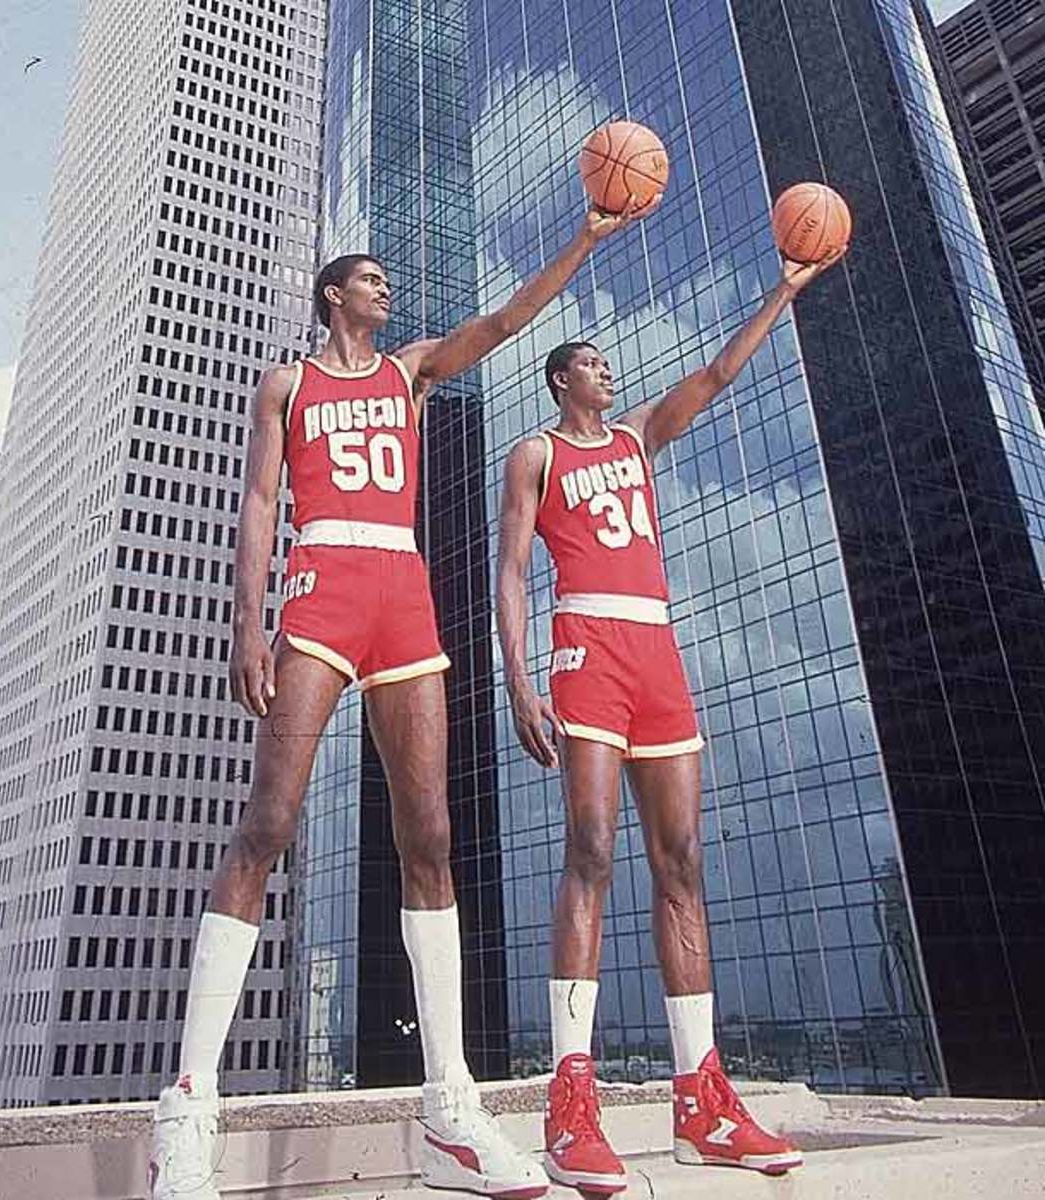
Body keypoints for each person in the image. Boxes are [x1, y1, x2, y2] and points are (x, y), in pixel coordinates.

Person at [148, 197, 658, 1200]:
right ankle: (187, 1107)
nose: (385, 286)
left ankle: (450, 1112)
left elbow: (508, 322)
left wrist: (586, 237)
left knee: (429, 835)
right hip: (321, 586)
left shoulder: (412, 369)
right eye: (369, 277)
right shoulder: (285, 383)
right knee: (269, 822)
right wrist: (245, 623)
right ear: (334, 294)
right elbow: (261, 501)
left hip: (402, 592)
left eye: (387, 278)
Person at [497, 249, 843, 1191]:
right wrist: (519, 677)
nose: (608, 372)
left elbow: (722, 373)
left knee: (681, 861)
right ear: (559, 377)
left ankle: (702, 1094)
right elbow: (515, 571)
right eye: (592, 364)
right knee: (591, 852)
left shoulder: (639, 436)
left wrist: (781, 286)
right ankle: (572, 1101)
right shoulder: (537, 452)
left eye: (610, 365)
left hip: (656, 647)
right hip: (584, 646)